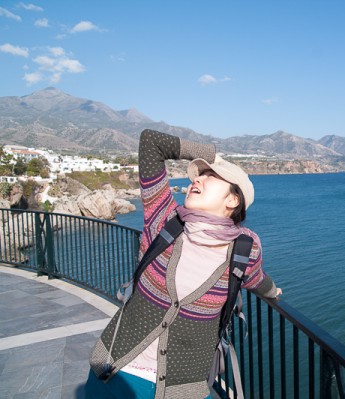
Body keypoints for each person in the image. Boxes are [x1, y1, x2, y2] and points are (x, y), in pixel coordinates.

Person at [85, 129, 281, 398]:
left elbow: (256, 279)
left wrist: (272, 292)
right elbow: (151, 142)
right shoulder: (163, 219)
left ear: (233, 200)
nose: (197, 180)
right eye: (198, 175)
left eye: (211, 177)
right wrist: (212, 155)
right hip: (115, 373)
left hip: (182, 389)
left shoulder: (245, 249)